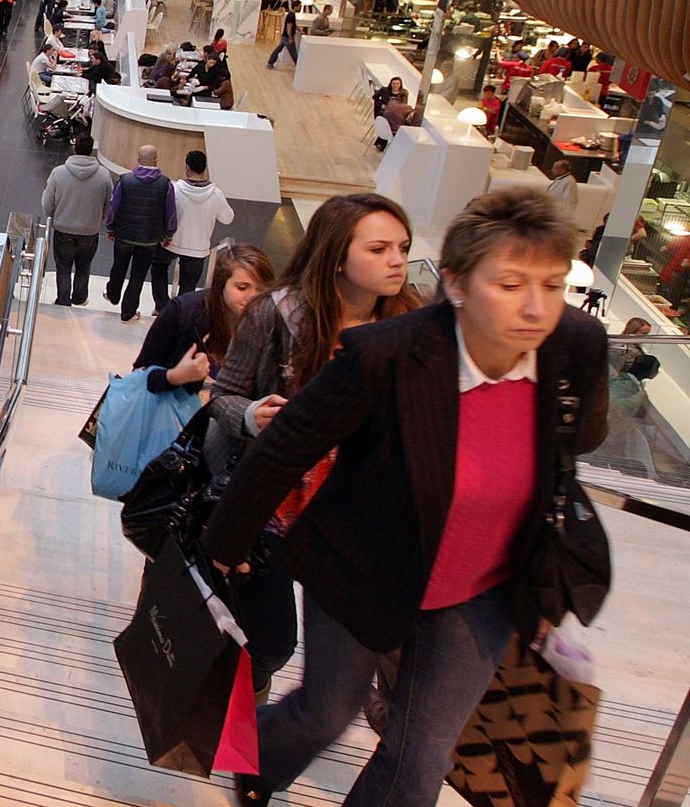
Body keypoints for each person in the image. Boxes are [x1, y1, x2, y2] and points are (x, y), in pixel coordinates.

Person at [211, 188, 605, 805]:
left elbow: (578, 437)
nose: (536, 307)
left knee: (421, 759)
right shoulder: (387, 355)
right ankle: (255, 767)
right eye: (509, 284)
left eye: (552, 285)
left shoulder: (574, 346)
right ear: (456, 283)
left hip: (482, 590)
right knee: (326, 711)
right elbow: (285, 446)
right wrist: (225, 547)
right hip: (365, 567)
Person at [205, 193, 423, 709]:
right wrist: (251, 415)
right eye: (379, 248)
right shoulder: (274, 315)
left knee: (360, 649)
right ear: (337, 254)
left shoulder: (412, 324)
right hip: (275, 511)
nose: (397, 260)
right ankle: (240, 711)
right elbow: (222, 396)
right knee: (274, 641)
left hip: (355, 518)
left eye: (403, 247)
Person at [132, 241, 274, 395]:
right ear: (221, 284)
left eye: (261, 289)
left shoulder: (271, 323)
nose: (253, 296)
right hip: (174, 413)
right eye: (242, 287)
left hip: (232, 415)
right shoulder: (183, 312)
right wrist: (174, 377)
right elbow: (139, 374)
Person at [103, 145, 178, 323]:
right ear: (156, 160)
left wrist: (111, 228)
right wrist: (168, 234)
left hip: (124, 235)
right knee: (138, 275)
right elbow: (171, 212)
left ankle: (113, 294)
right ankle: (128, 312)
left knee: (119, 266)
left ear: (138, 160)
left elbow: (114, 208)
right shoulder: (165, 184)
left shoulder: (125, 180)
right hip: (149, 239)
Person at [42, 135, 112, 305]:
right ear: (91, 150)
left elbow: (47, 201)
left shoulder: (58, 173)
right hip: (90, 230)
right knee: (84, 265)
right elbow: (109, 202)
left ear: (74, 148)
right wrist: (99, 219)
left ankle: (63, 299)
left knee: (63, 266)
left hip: (63, 227)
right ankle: (80, 297)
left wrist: (52, 215)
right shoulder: (103, 175)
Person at [170, 150, 235, 293]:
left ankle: (161, 306)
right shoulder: (216, 194)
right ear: (205, 168)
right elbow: (227, 218)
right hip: (198, 249)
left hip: (172, 244)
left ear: (187, 168)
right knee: (188, 287)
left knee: (159, 267)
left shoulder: (175, 190)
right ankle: (183, 313)